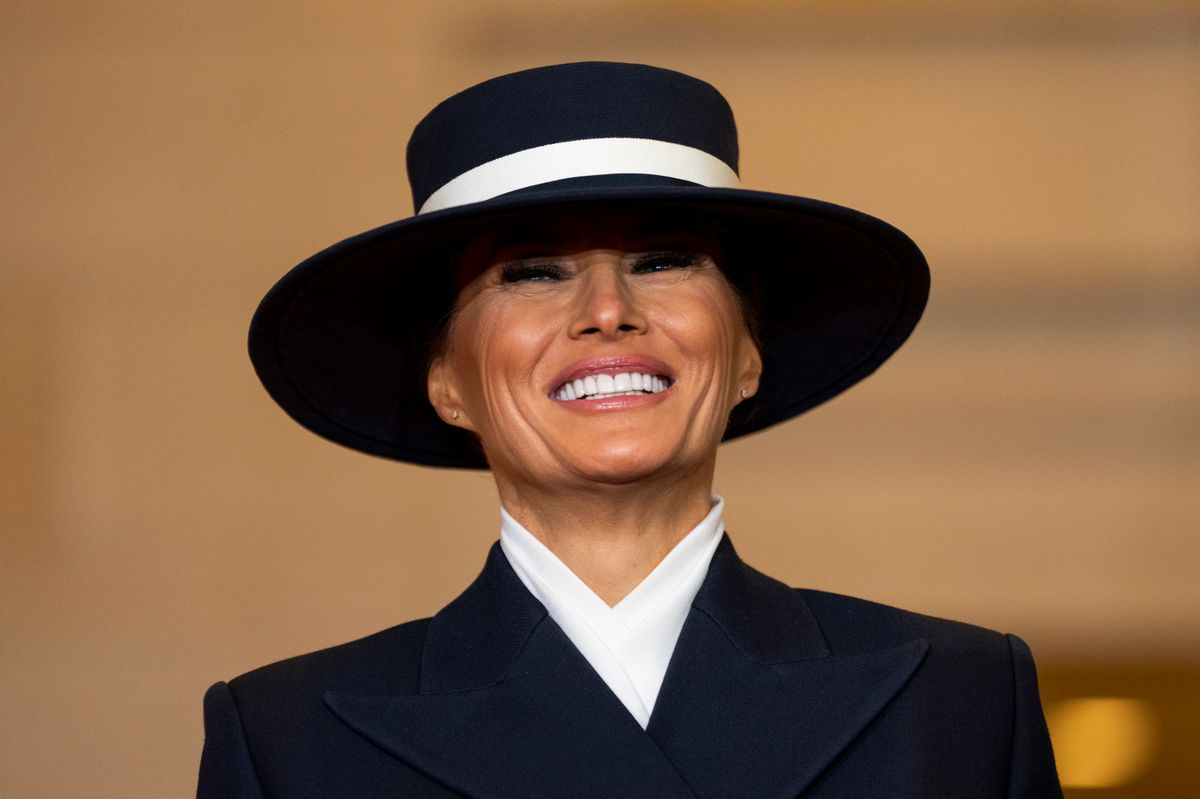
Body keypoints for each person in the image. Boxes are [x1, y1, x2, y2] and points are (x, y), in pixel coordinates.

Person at [198, 62, 1062, 798]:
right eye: (531, 271)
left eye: (664, 260)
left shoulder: (964, 702)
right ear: (447, 381)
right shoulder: (286, 742)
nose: (608, 311)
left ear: (749, 356)